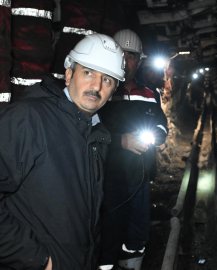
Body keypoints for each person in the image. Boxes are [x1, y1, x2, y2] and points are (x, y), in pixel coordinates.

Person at [0, 33, 125, 270]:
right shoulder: (27, 120)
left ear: (113, 91)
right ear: (68, 75)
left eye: (107, 80)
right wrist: (38, 260)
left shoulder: (97, 135)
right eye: (88, 72)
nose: (96, 86)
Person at [98, 29, 168, 270]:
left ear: (140, 61)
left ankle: (132, 264)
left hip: (140, 175)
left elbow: (162, 124)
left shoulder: (150, 94)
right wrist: (121, 141)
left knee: (137, 230)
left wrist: (158, 134)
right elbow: (87, 134)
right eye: (122, 55)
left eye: (132, 56)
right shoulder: (101, 92)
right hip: (108, 176)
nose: (126, 62)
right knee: (108, 228)